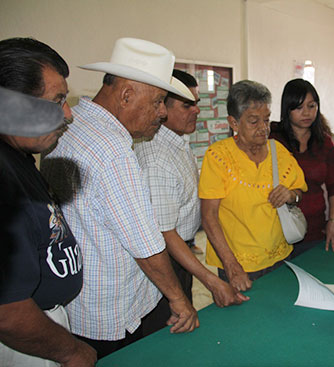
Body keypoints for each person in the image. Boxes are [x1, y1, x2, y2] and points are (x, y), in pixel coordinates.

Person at [41, 38, 199, 358]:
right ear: (126, 95)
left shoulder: (69, 124)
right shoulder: (112, 149)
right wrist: (179, 298)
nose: (161, 114)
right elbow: (145, 243)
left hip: (78, 302)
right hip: (115, 313)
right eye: (157, 102)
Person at [0, 38, 96, 367]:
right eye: (56, 102)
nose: (67, 114)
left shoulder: (20, 156)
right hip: (23, 341)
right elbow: (8, 312)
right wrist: (71, 350)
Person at [134, 70, 248, 308]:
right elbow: (165, 233)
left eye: (197, 103)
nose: (196, 110)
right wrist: (212, 282)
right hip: (166, 260)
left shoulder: (177, 142)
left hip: (182, 250)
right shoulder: (157, 158)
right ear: (162, 108)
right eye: (187, 105)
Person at [200, 80, 307, 292]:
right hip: (238, 266)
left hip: (280, 258)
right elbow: (209, 216)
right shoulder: (218, 157)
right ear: (234, 123)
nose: (263, 128)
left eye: (266, 120)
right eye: (253, 121)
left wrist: (290, 195)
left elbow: (299, 192)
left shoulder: (278, 151)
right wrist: (232, 267)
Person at [270, 79, 334, 254]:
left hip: (315, 230)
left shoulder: (324, 141)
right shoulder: (273, 141)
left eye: (312, 106)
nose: (307, 113)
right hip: (278, 231)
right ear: (287, 109)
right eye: (299, 107)